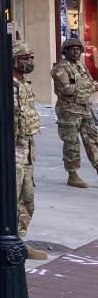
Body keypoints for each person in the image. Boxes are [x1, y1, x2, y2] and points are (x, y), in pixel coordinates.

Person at [0, 40, 48, 260]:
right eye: (25, 58)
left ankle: (19, 242)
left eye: (31, 57)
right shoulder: (1, 86)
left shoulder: (25, 85)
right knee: (8, 201)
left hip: (27, 152)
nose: (30, 62)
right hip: (9, 153)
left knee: (27, 200)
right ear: (13, 61)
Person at [50, 36, 98, 189]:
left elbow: (90, 82)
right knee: (72, 143)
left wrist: (88, 86)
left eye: (78, 48)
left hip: (85, 109)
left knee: (94, 140)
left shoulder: (80, 66)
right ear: (66, 51)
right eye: (72, 49)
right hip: (69, 112)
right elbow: (66, 89)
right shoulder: (60, 68)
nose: (76, 51)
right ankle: (72, 174)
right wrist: (88, 87)